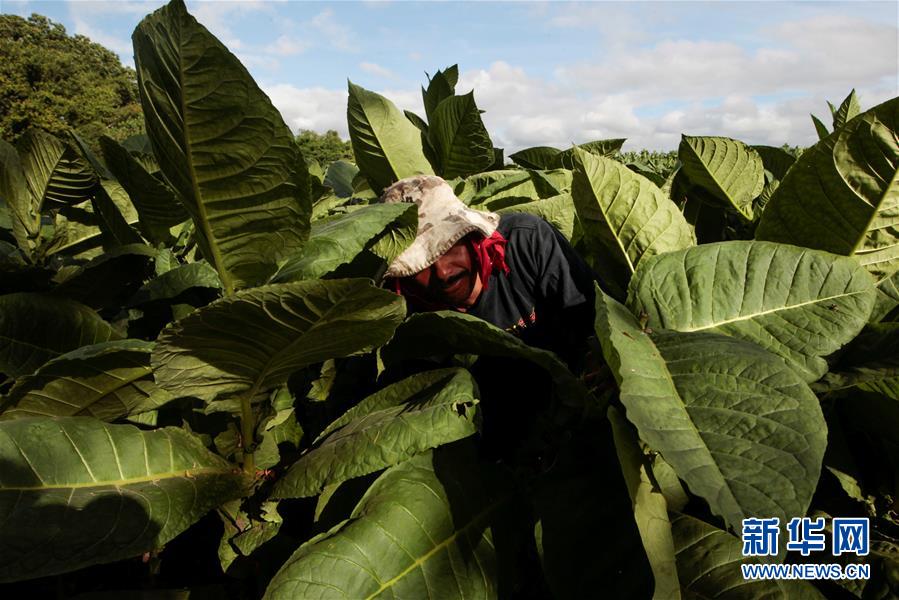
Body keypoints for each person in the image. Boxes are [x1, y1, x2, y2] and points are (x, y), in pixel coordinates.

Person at [380, 174, 597, 371]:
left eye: (449, 246)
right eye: (420, 265)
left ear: (473, 236)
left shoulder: (527, 241)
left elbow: (595, 322)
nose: (443, 272)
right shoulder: (403, 313)